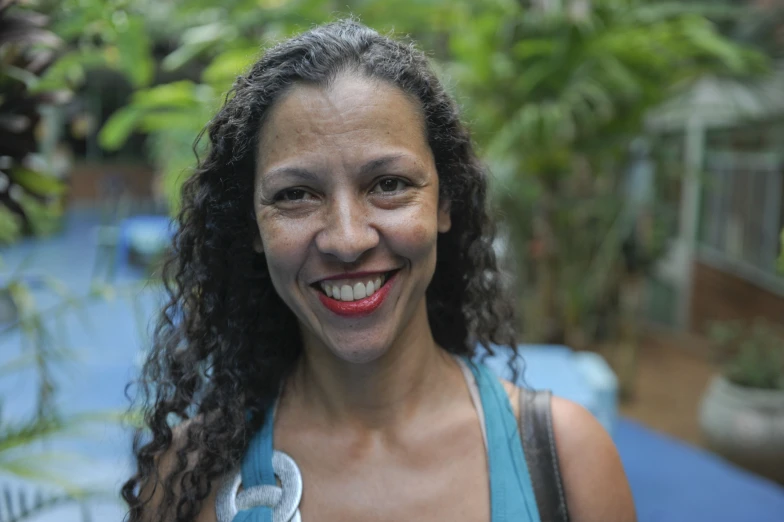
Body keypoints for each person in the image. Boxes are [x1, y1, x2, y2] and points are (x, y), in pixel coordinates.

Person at [123, 20, 636, 522]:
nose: (347, 240)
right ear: (253, 229)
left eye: (388, 184)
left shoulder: (564, 461)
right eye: (295, 195)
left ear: (444, 203)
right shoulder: (189, 477)